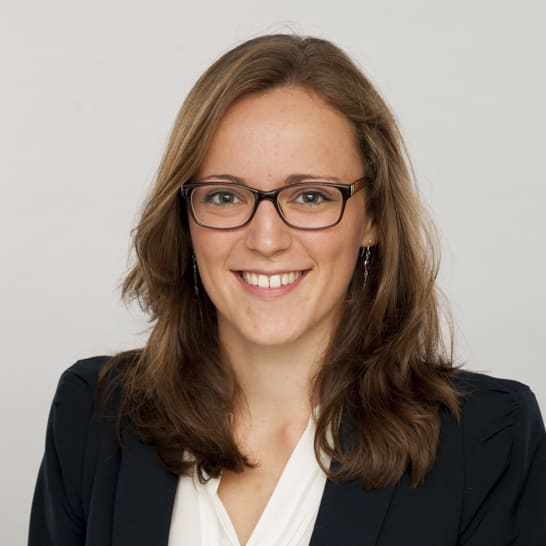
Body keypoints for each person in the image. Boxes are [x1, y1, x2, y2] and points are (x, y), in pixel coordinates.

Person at [29, 34, 545, 546]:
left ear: (373, 218)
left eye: (311, 196)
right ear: (185, 218)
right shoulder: (95, 415)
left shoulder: (489, 440)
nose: (266, 239)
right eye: (225, 196)